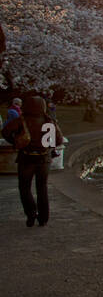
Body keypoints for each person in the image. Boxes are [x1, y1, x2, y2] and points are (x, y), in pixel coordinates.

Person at [2, 95, 65, 227]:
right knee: (42, 188)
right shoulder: (49, 121)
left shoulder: (22, 120)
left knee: (24, 187)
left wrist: (16, 142)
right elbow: (58, 141)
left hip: (26, 157)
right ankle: (43, 218)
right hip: (44, 158)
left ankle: (31, 213)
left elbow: (5, 132)